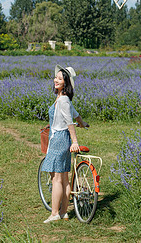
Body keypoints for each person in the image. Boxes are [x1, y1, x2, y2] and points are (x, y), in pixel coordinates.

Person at [42, 64, 89, 223]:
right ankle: (64, 212)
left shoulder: (62, 100)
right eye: (56, 77)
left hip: (59, 139)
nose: (56, 80)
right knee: (64, 178)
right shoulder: (64, 99)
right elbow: (76, 116)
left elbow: (69, 122)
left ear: (65, 83)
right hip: (61, 138)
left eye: (60, 79)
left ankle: (55, 213)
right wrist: (83, 124)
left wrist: (75, 141)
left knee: (56, 178)